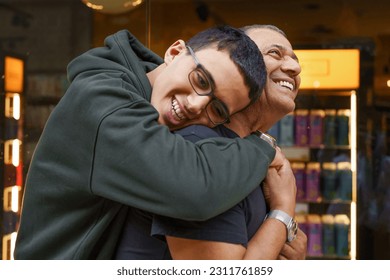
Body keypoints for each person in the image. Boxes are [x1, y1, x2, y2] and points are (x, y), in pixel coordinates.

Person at [14, 25, 278, 260]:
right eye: (200, 80)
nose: (196, 104)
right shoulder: (102, 102)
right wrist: (262, 147)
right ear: (175, 52)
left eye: (218, 109)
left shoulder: (148, 103)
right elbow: (192, 190)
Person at [114, 24, 307, 260]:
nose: (295, 67)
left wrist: (284, 238)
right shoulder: (198, 149)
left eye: (294, 59)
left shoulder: (250, 153)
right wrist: (282, 214)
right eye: (274, 53)